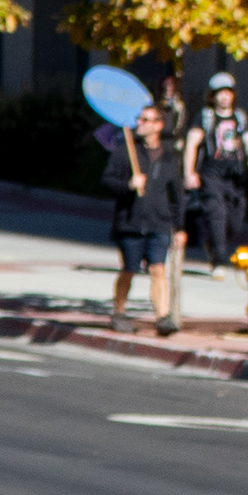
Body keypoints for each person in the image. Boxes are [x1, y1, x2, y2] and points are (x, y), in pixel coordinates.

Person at [108, 102, 191, 334]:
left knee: (158, 269)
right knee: (129, 269)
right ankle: (119, 311)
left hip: (159, 222)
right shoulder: (126, 150)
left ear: (158, 125)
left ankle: (162, 316)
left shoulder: (168, 157)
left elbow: (176, 195)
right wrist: (128, 185)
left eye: (145, 120)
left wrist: (180, 226)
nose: (139, 124)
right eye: (139, 119)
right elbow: (107, 181)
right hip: (131, 223)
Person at [190, 71, 248, 271]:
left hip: (235, 176)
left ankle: (213, 243)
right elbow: (192, 144)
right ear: (213, 95)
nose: (224, 96)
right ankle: (218, 260)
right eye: (219, 92)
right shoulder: (205, 117)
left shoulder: (239, 117)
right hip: (212, 174)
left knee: (235, 220)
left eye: (227, 92)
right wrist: (190, 172)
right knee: (216, 214)